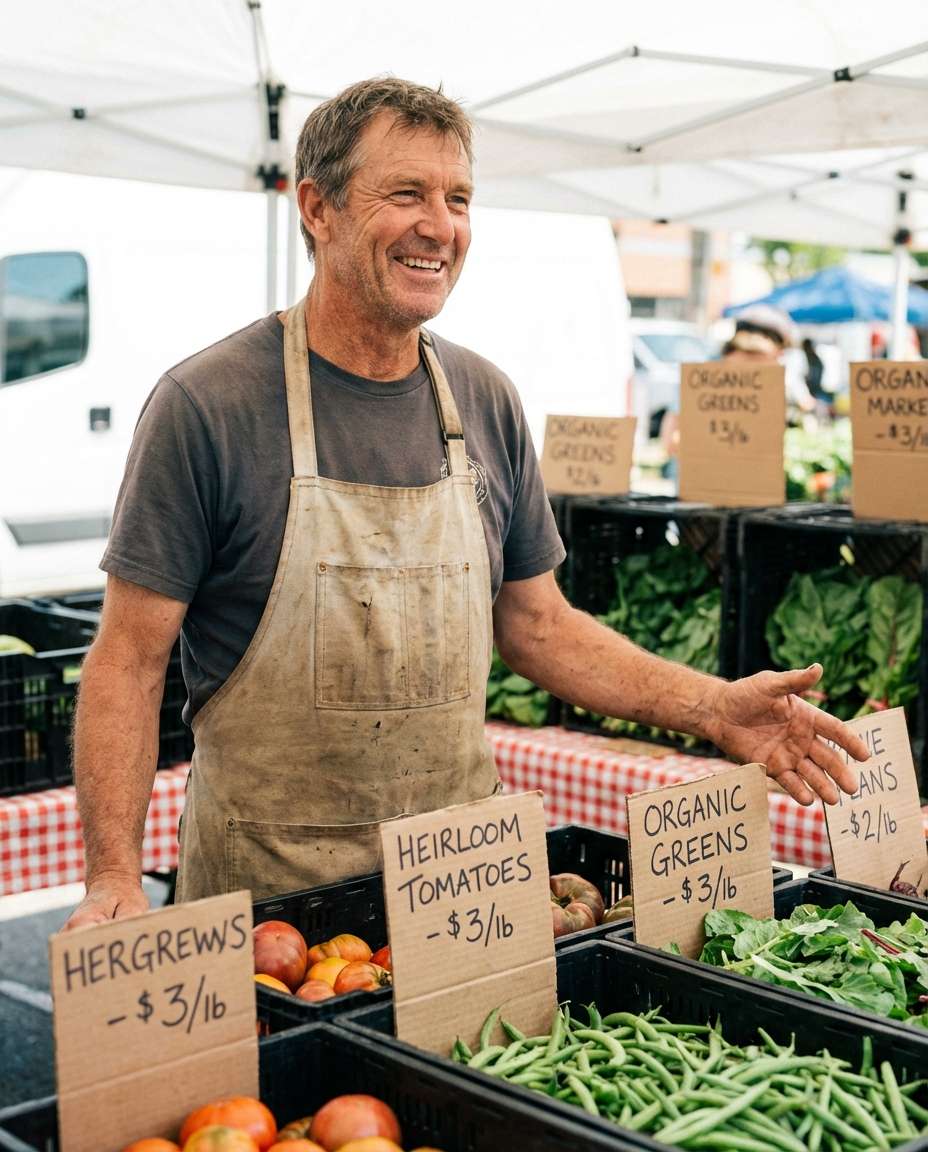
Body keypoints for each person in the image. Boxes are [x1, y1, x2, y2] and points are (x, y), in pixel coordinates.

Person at [64, 78, 868, 930]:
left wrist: (711, 705)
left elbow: (538, 625)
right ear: (317, 208)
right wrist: (113, 874)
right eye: (405, 193)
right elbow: (127, 661)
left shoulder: (483, 400)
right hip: (272, 910)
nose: (439, 226)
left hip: (463, 892)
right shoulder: (208, 405)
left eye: (458, 200)